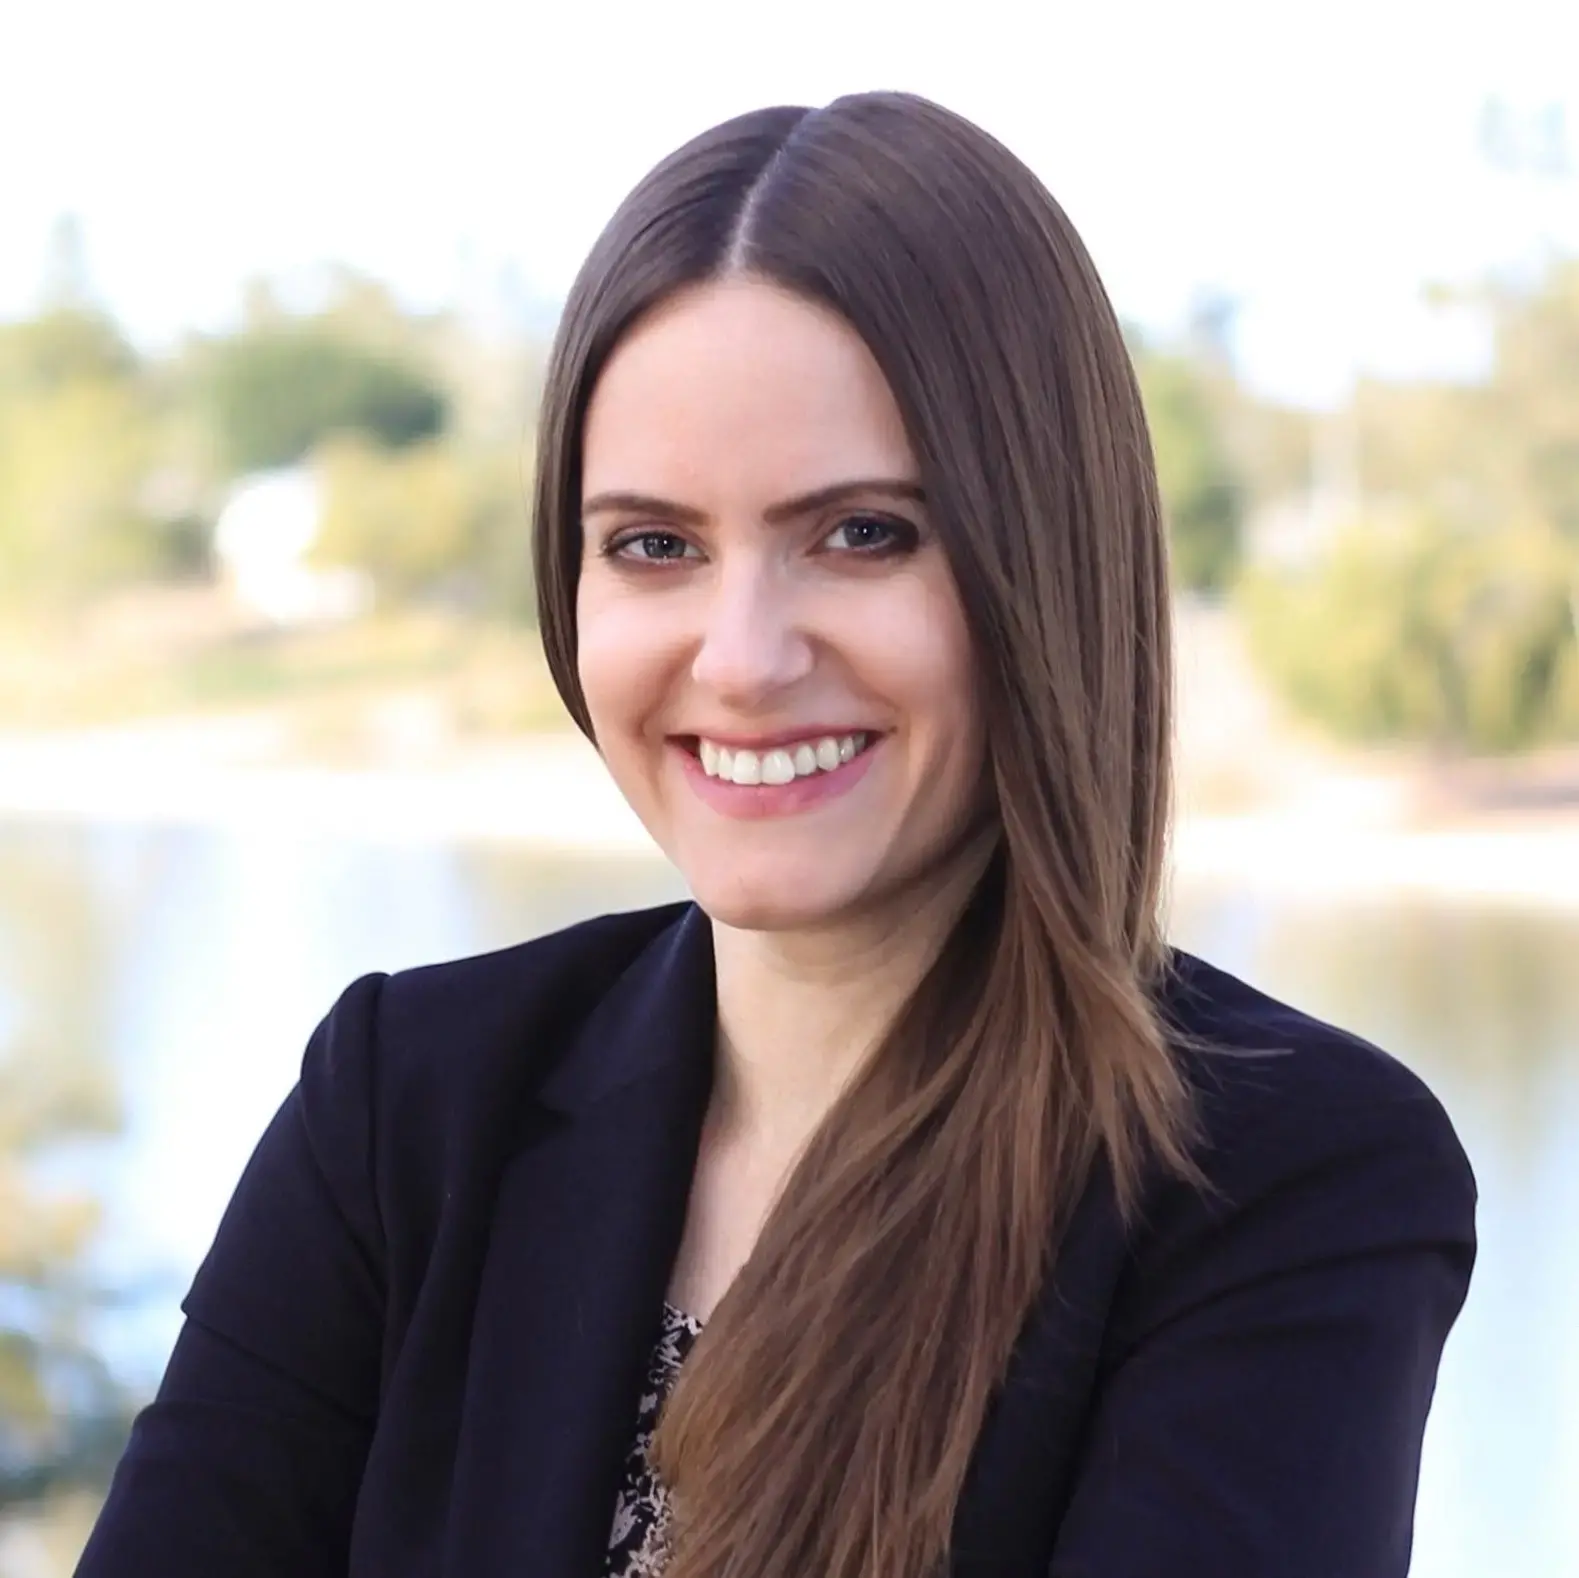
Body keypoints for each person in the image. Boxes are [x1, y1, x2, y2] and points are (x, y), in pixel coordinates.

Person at [75, 91, 1476, 1578]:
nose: (740, 656)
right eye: (654, 545)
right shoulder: (402, 1110)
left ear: (1043, 563)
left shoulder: (1285, 1179)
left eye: (860, 532)